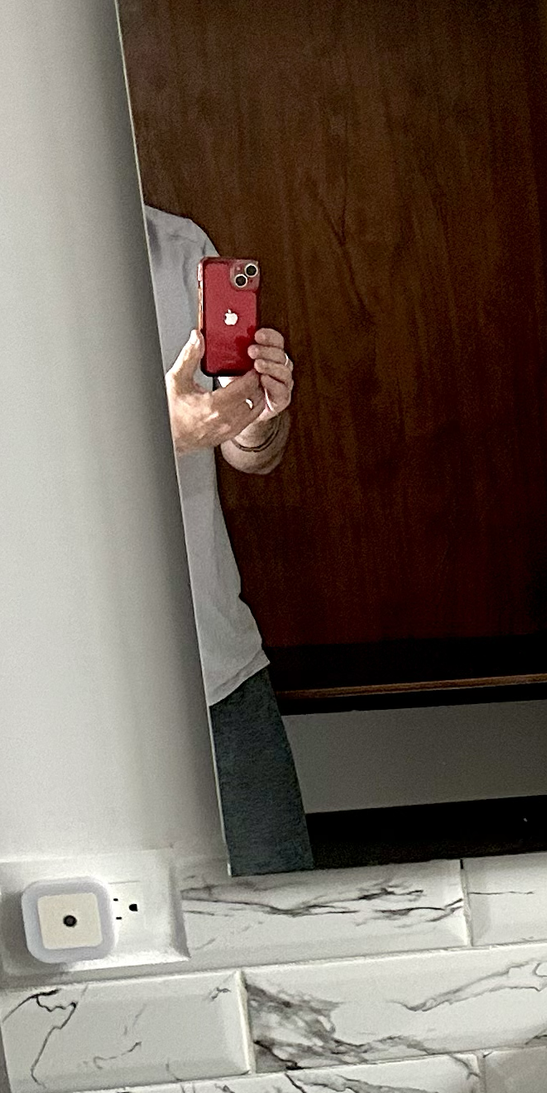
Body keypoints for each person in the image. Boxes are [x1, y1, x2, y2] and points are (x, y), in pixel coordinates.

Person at [143, 205, 312, 873]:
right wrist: (162, 437)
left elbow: (254, 456)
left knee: (290, 926)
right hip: (71, 695)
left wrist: (257, 417)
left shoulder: (180, 248)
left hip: (218, 672)